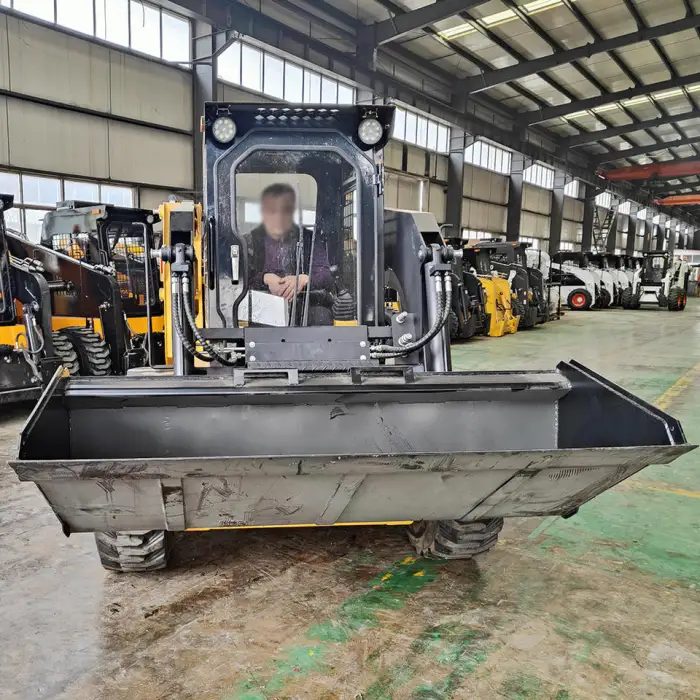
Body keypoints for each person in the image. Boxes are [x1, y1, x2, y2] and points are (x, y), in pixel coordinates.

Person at [245, 183, 333, 325]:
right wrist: (265, 278)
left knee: (321, 315)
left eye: (285, 210)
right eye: (272, 210)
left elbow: (325, 274)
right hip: (261, 312)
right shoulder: (248, 242)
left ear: (292, 212)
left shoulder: (310, 239)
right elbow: (236, 279)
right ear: (263, 212)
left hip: (304, 311)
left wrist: (304, 279)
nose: (278, 217)